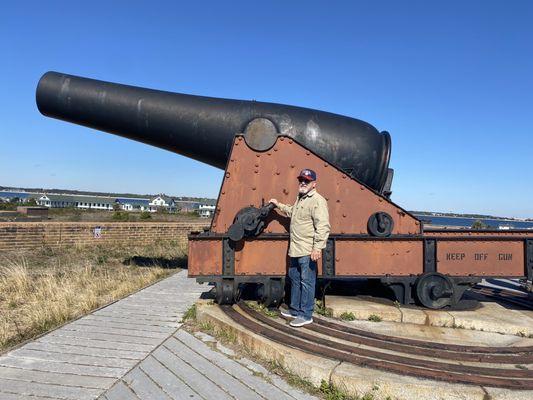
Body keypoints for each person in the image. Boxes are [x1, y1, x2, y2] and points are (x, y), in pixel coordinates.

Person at [269, 168, 330, 327]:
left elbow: (323, 226)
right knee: (295, 280)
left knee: (306, 282)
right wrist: (278, 205)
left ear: (314, 184)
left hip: (307, 250)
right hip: (295, 250)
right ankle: (295, 310)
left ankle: (306, 314)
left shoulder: (317, 200)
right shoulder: (300, 198)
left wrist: (317, 248)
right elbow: (292, 212)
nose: (303, 183)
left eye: (307, 181)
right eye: (301, 180)